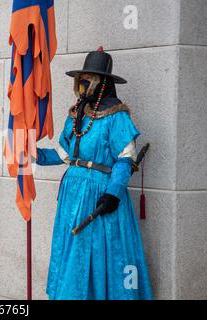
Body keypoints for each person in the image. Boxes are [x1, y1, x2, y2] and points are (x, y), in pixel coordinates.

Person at [36, 47, 153, 299]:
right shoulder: (76, 115)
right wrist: (31, 154)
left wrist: (113, 193)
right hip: (72, 196)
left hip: (100, 196)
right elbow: (64, 154)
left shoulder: (117, 116)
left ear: (102, 83)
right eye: (82, 78)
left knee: (100, 251)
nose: (83, 83)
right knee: (73, 252)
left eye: (89, 78)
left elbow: (124, 160)